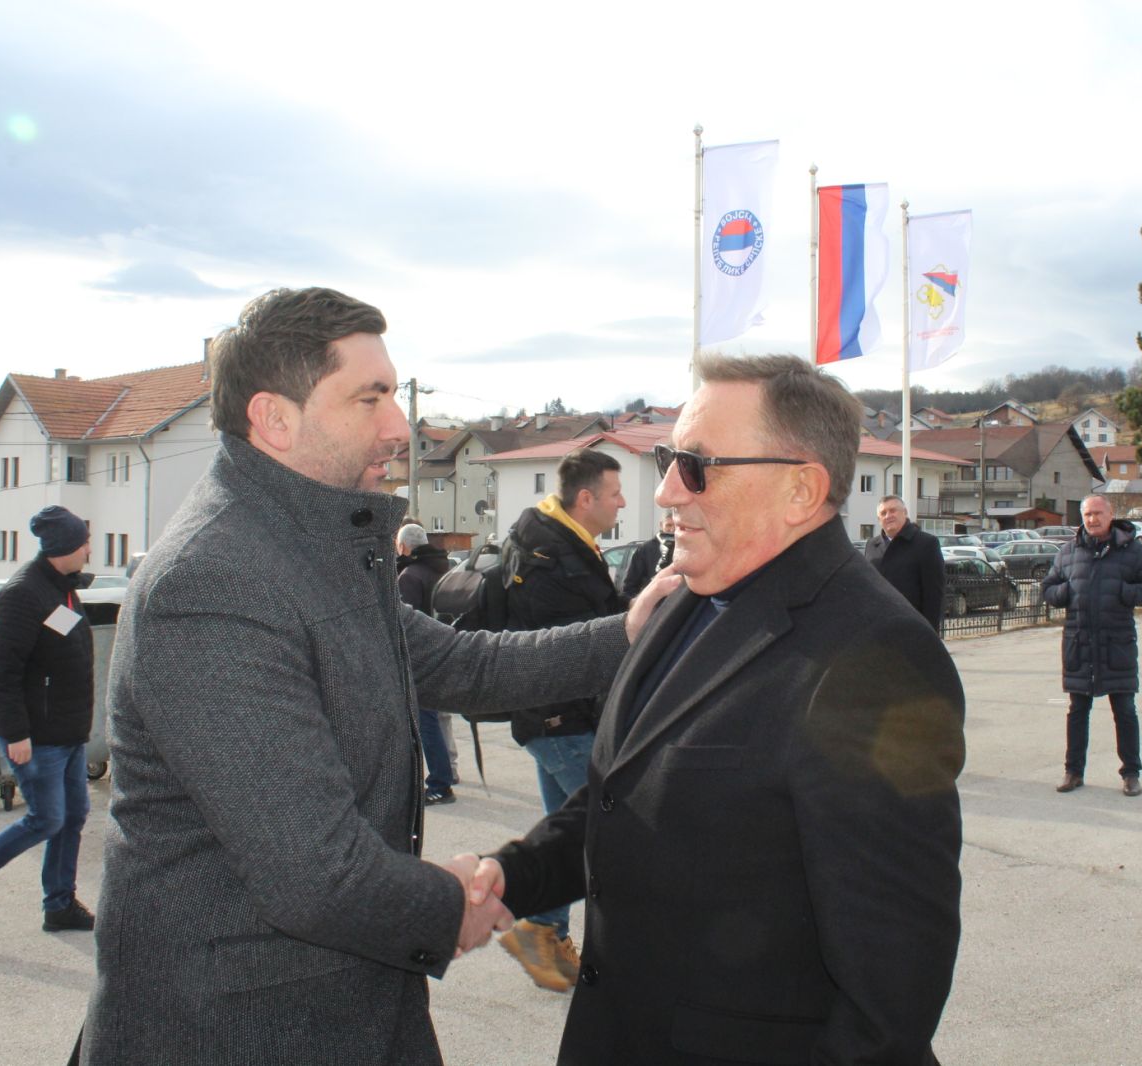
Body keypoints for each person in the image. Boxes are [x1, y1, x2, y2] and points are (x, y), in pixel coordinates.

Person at [81, 287, 676, 1066]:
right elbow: (317, 874)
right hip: (238, 1030)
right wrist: (458, 902)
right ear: (274, 418)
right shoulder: (213, 581)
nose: (399, 425)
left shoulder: (309, 550)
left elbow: (462, 664)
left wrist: (631, 632)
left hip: (349, 1009)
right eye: (370, 398)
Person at [463, 353, 966, 1064]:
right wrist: (516, 874)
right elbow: (624, 797)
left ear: (800, 489)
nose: (666, 490)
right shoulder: (685, 598)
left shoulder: (875, 656)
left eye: (697, 466)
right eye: (668, 460)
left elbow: (894, 977)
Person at [497, 448, 628, 993]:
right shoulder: (554, 558)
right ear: (586, 498)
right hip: (561, 719)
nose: (624, 503)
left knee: (569, 831)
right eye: (616, 493)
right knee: (613, 832)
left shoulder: (558, 541)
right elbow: (582, 641)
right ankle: (620, 955)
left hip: (552, 718)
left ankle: (543, 930)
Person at [0, 505, 97, 935]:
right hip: (38, 736)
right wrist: (15, 733)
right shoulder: (24, 594)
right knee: (46, 818)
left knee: (72, 815)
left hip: (67, 732)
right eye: (84, 542)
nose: (89, 549)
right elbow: (1, 673)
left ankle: (59, 905)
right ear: (65, 546)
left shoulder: (61, 589)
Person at [1041, 494, 1142, 797]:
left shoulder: (1131, 551)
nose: (1092, 519)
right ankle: (1073, 771)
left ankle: (1131, 773)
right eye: (1087, 514)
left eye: (1097, 513)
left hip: (1117, 644)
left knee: (1125, 711)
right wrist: (1065, 593)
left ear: (1111, 515)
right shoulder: (1069, 551)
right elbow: (1048, 588)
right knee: (1077, 711)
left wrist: (1124, 592)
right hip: (1079, 644)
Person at [395, 522, 457, 806]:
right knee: (438, 719)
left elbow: (403, 624)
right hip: (446, 650)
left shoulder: (409, 576)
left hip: (419, 657)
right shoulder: (443, 569)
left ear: (403, 547)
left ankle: (440, 783)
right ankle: (447, 773)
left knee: (426, 722)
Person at [863, 494, 947, 627]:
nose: (888, 516)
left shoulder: (926, 544)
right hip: (878, 627)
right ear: (879, 519)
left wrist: (929, 632)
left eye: (893, 510)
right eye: (883, 513)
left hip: (912, 627)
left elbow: (934, 595)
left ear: (905, 513)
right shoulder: (871, 546)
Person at [620, 512, 675, 599]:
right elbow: (630, 585)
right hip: (653, 604)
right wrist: (637, 603)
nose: (672, 529)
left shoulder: (687, 548)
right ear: (661, 525)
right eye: (669, 525)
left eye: (676, 525)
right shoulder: (646, 549)